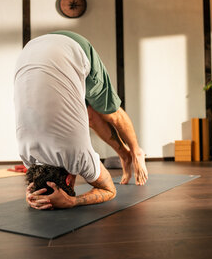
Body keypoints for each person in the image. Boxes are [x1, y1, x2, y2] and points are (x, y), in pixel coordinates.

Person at [14, 31, 148, 210]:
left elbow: (109, 190)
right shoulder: (27, 154)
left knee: (109, 112)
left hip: (72, 46)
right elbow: (32, 179)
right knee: (90, 117)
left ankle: (136, 152)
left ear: (69, 179)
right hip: (30, 50)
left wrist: (72, 201)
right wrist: (33, 192)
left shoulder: (77, 154)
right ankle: (123, 154)